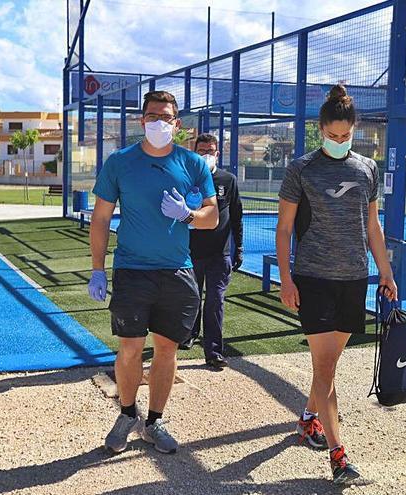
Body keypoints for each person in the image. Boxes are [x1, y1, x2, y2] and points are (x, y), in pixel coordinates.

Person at [276, 85, 398, 485]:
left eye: (346, 136)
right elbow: (285, 227)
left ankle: (309, 419)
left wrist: (385, 271)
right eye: (333, 135)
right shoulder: (301, 169)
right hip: (312, 279)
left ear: (354, 130)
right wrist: (287, 278)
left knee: (329, 366)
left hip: (353, 279)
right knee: (325, 367)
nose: (340, 141)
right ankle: (338, 455)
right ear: (321, 129)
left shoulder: (367, 168)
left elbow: (373, 225)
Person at [88, 91, 218, 455]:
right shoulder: (120, 162)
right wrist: (97, 270)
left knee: (166, 350)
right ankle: (127, 413)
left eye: (166, 117)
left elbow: (213, 217)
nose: (159, 122)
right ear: (142, 121)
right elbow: (100, 219)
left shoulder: (192, 163)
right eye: (152, 116)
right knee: (129, 349)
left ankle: (154, 421)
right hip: (132, 270)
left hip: (177, 271)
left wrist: (187, 215)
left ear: (177, 124)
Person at [179, 133, 243, 370]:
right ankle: (188, 334)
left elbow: (236, 217)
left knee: (215, 301)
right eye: (201, 150)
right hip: (190, 253)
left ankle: (214, 351)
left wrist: (239, 248)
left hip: (219, 254)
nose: (206, 155)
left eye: (210, 151)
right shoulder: (186, 179)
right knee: (191, 298)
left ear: (217, 154)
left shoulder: (228, 179)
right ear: (194, 153)